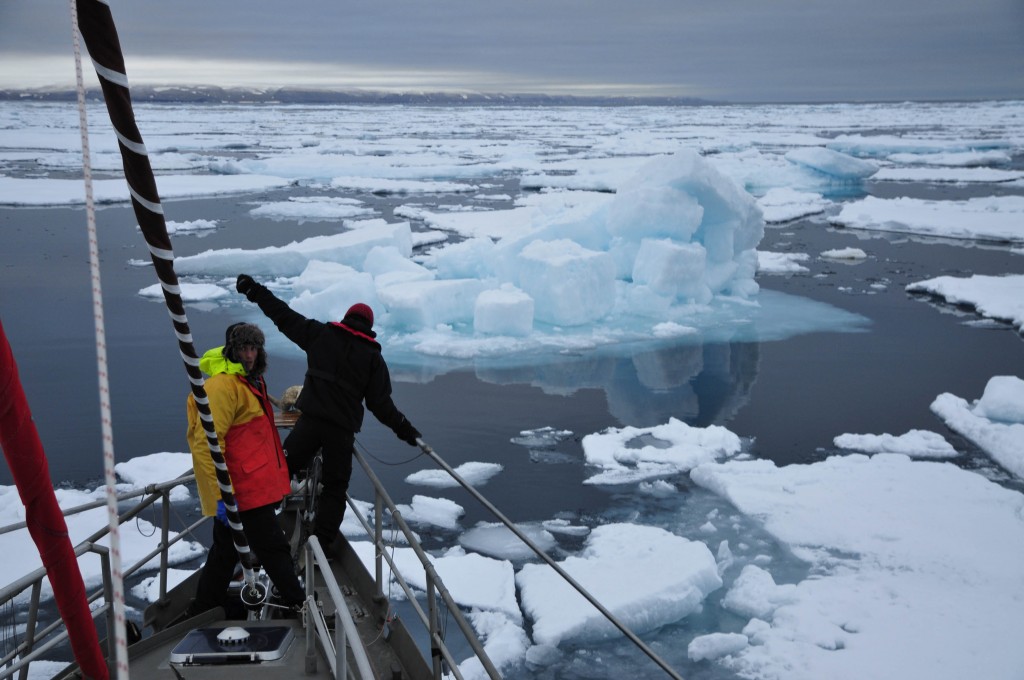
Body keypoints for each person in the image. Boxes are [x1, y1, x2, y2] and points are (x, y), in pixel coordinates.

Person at [234, 274, 421, 551]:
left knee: (281, 469)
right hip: (340, 434)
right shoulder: (373, 359)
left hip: (309, 424)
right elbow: (381, 406)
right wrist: (406, 430)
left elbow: (283, 316)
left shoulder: (321, 335)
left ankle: (260, 526)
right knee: (335, 488)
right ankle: (321, 545)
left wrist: (255, 291)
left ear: (346, 319)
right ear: (369, 327)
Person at [185, 322, 305, 617]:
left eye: (254, 348)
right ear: (232, 349)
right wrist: (221, 497)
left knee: (224, 553)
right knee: (273, 548)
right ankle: (299, 604)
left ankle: (203, 608)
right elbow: (206, 444)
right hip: (241, 491)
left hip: (250, 486)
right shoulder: (222, 387)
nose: (249, 355)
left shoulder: (249, 381)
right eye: (243, 348)